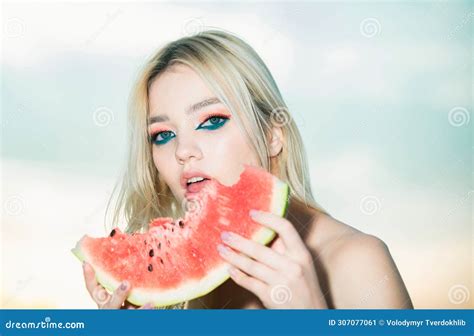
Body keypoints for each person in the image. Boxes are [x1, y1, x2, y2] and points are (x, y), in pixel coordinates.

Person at [82, 29, 413, 309]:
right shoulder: (187, 287)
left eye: (212, 121)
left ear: (272, 136)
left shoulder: (357, 262)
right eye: (163, 135)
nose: (183, 151)